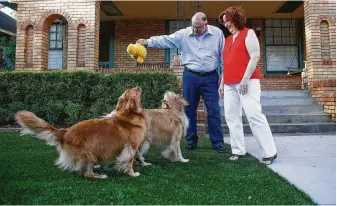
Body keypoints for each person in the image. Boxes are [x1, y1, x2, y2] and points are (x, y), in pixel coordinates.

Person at [136, 12, 225, 153]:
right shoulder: (184, 34)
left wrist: (223, 77)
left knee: (213, 110)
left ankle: (218, 143)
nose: (195, 30)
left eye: (199, 27)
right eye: (194, 27)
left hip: (211, 77)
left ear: (205, 24)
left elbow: (223, 56)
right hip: (190, 76)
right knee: (189, 110)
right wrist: (147, 42)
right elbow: (166, 40)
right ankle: (191, 141)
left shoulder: (217, 34)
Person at [218, 6, 277, 164]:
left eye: (228, 21)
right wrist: (222, 83)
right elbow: (226, 64)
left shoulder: (248, 33)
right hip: (229, 84)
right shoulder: (228, 40)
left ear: (236, 18)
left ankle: (269, 152)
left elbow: (255, 56)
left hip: (248, 82)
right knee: (231, 117)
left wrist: (244, 80)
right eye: (224, 23)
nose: (226, 25)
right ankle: (238, 150)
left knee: (254, 115)